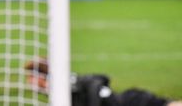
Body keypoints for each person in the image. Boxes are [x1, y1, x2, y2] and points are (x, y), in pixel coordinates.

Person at [25, 59, 182, 106]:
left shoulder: (66, 86)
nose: (28, 81)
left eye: (30, 77)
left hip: (129, 102)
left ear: (41, 76)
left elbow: (97, 80)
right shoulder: (59, 88)